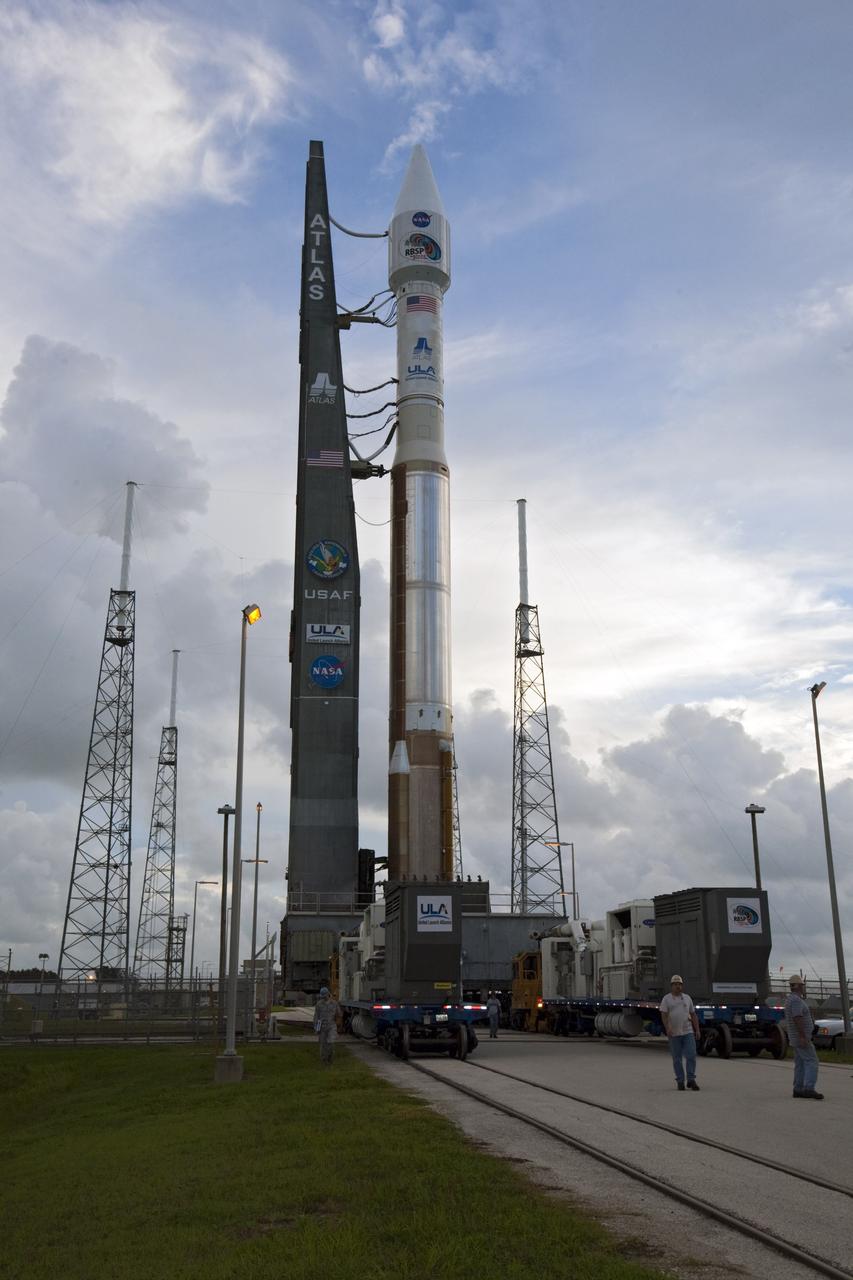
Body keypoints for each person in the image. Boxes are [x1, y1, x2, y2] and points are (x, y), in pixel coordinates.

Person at [660, 974, 700, 1091]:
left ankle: (691, 1079)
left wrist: (697, 1029)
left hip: (688, 1031)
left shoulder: (687, 998)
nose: (678, 986)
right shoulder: (666, 999)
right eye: (675, 984)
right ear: (671, 986)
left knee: (691, 1055)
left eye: (680, 984)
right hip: (674, 1033)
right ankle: (680, 1081)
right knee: (677, 1058)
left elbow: (693, 1014)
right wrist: (668, 1028)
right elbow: (664, 1015)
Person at [785, 974, 823, 1100]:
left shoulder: (790, 999)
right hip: (801, 1037)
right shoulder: (796, 1000)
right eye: (802, 985)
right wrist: (803, 1036)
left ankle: (798, 1089)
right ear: (797, 986)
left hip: (796, 1037)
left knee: (800, 1063)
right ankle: (809, 1088)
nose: (803, 987)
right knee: (812, 1061)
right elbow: (797, 1017)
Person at [313, 986, 339, 1065]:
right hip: (322, 1027)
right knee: (323, 1044)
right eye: (322, 996)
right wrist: (316, 1029)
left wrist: (338, 1024)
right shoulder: (319, 1004)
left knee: (330, 1043)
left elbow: (339, 1014)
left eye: (325, 996)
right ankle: (324, 1060)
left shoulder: (334, 1004)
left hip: (331, 1026)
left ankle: (330, 1059)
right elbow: (316, 1017)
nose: (323, 998)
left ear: (328, 994)